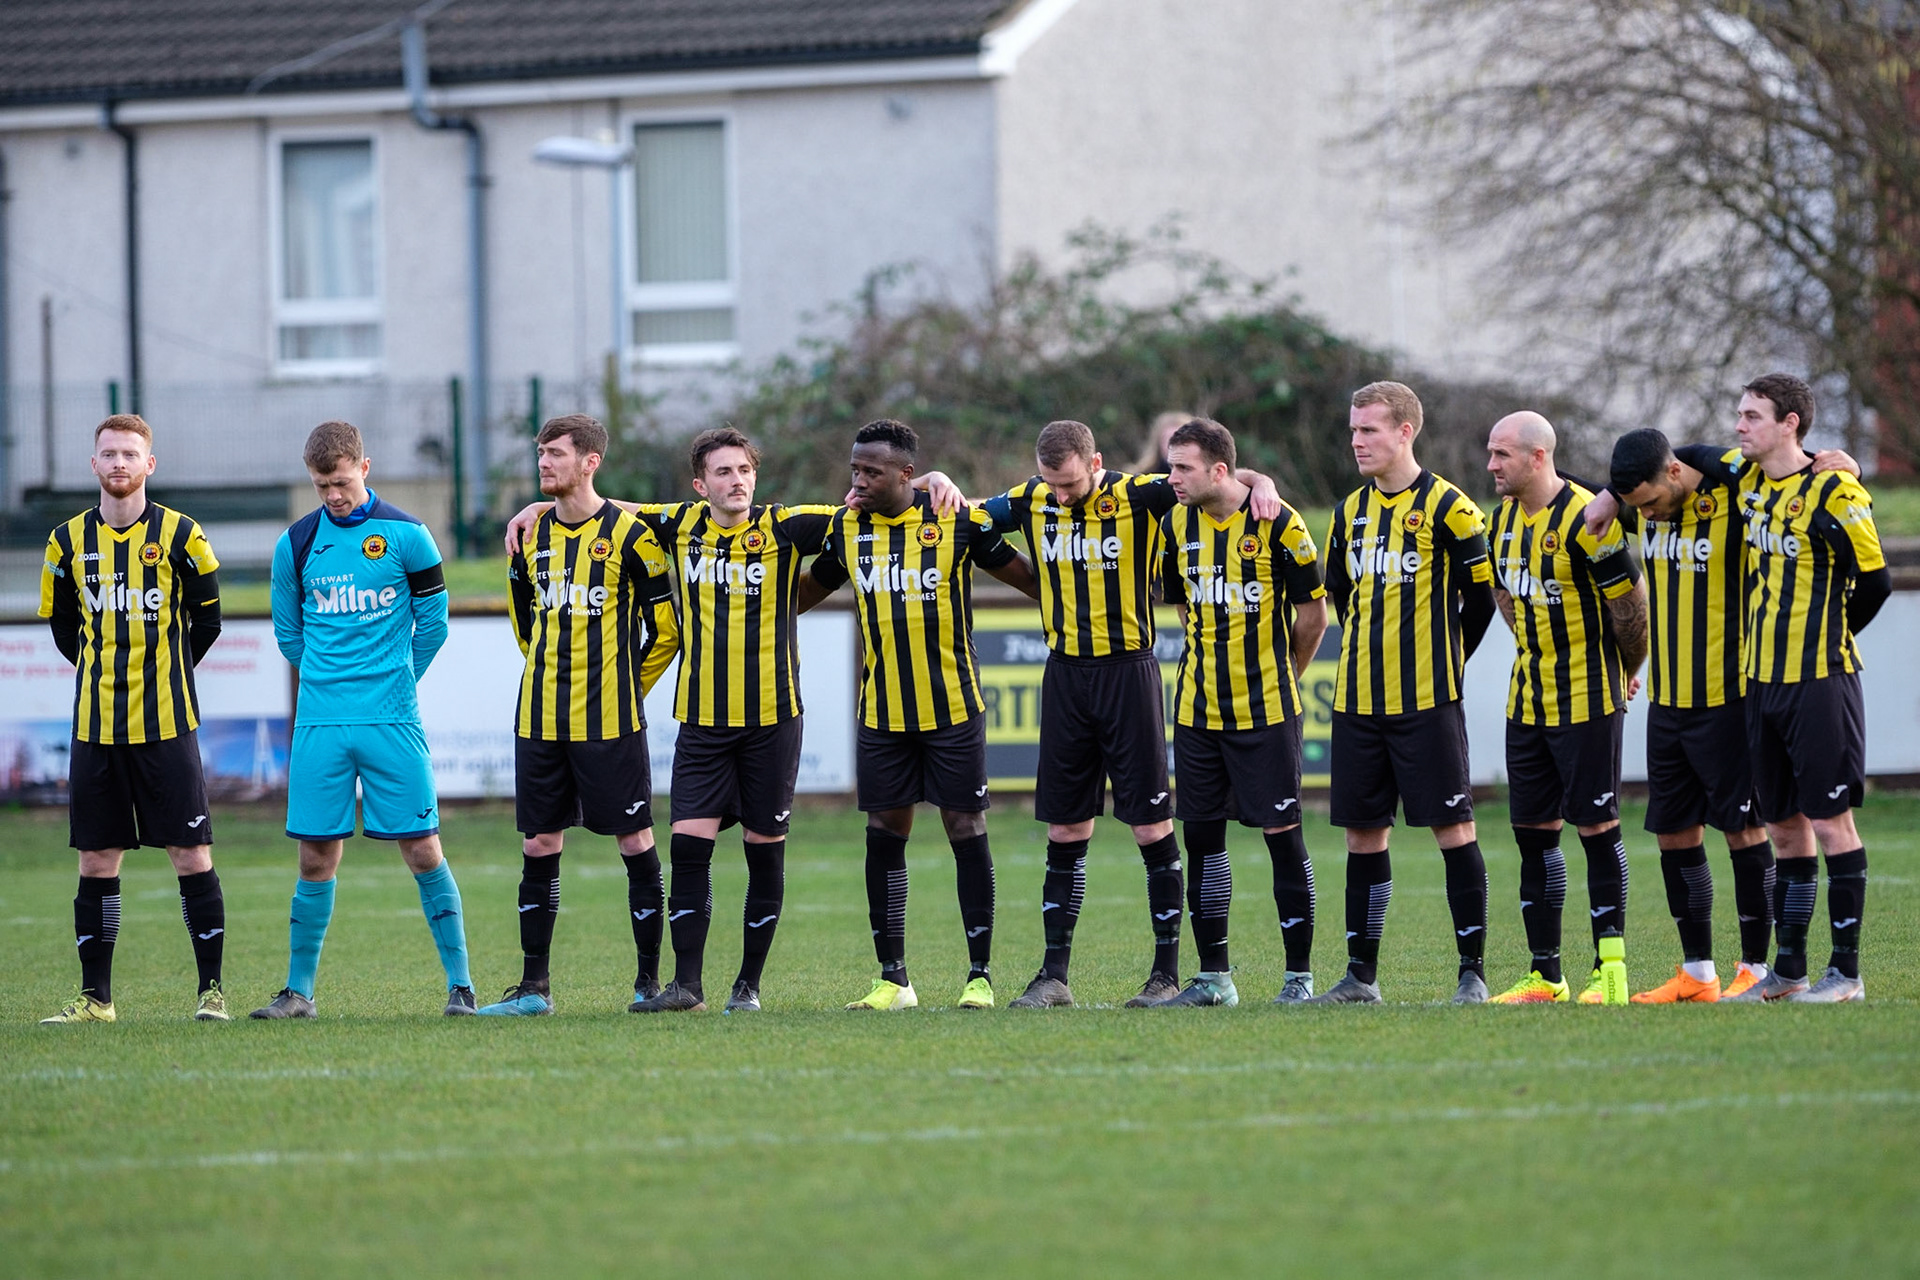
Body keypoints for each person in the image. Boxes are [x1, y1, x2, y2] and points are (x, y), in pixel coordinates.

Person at [918, 421, 1285, 1008]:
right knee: (1065, 827)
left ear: (1096, 463)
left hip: (1128, 674)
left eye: (1068, 483)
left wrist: (1261, 480)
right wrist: (936, 479)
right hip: (1065, 676)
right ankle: (1052, 976)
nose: (1060, 495)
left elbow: (1218, 484)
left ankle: (1165, 973)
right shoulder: (1033, 499)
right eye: (1050, 483)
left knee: (1150, 826)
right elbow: (964, 513)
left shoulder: (1140, 494)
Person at [507, 428, 835, 1013]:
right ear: (700, 484)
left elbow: (868, 509)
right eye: (723, 472)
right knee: (688, 850)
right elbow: (616, 509)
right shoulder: (680, 525)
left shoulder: (787, 526)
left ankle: (748, 987)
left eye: (744, 471)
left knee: (764, 848)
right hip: (702, 723)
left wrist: (936, 484)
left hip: (773, 718)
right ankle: (686, 987)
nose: (736, 481)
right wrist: (541, 504)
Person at [1663, 376, 1889, 1002]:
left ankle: (1845, 973)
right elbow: (1693, 454)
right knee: (1786, 827)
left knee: (1830, 822)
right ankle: (1789, 970)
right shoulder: (1748, 477)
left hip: (1820, 681)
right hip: (1760, 683)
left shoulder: (1835, 490)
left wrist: (1826, 636)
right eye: (1739, 414)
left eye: (1752, 416)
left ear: (1790, 423)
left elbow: (1875, 582)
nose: (1740, 426)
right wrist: (1609, 495)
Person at [802, 419, 1040, 1010]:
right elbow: (803, 593)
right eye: (854, 469)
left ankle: (979, 977)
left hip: (953, 708)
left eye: (871, 472)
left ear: (906, 474)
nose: (857, 480)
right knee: (885, 834)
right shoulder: (845, 527)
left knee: (965, 829)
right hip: (882, 713)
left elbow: (1032, 580)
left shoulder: (958, 521)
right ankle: (893, 980)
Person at [253, 421, 475, 1018]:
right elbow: (289, 633)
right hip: (320, 724)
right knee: (315, 856)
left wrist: (394, 681)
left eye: (342, 482)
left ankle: (461, 986)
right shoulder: (295, 544)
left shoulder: (408, 535)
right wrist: (331, 683)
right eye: (322, 485)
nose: (333, 495)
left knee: (422, 848)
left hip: (391, 720)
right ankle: (299, 992)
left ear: (365, 468)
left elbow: (434, 625)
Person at [476, 415, 679, 1016]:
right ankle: (534, 989)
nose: (544, 463)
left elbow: (664, 633)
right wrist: (547, 669)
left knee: (635, 839)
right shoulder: (529, 536)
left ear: (590, 462)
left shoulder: (632, 537)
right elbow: (523, 620)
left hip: (610, 722)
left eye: (557, 454)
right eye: (540, 453)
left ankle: (648, 984)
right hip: (538, 718)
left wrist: (624, 687)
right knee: (539, 842)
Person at [37, 414, 228, 1024]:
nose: (119, 463)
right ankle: (97, 1000)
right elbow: (65, 628)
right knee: (96, 860)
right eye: (109, 454)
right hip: (95, 728)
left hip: (168, 728)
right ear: (93, 464)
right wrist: (106, 675)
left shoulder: (182, 535)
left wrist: (164, 676)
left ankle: (211, 992)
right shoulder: (65, 542)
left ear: (150, 465)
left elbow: (209, 622)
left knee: (190, 853)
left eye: (130, 454)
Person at [1314, 382, 1499, 1005]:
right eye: (1353, 429)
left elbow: (1480, 603)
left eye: (1369, 430)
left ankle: (1472, 972)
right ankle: (1360, 977)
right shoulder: (1348, 512)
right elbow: (1341, 592)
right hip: (1358, 703)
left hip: (1427, 703)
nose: (1357, 441)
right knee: (1363, 836)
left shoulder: (1452, 509)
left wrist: (1444, 661)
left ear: (1404, 432)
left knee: (1453, 829)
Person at [1157, 418, 1328, 1007]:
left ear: (1220, 471)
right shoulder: (1174, 523)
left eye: (1183, 468)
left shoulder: (1279, 522)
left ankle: (1298, 978)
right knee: (1202, 841)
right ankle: (1214, 978)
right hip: (1197, 711)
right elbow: (1183, 605)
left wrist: (1282, 677)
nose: (1172, 478)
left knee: (1283, 838)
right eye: (1170, 466)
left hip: (1268, 711)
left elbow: (1313, 618)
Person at [1603, 428, 1775, 1002]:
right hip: (1668, 702)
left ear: (1675, 472)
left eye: (1649, 501)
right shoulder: (1642, 506)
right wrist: (1609, 495)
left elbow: (1769, 469)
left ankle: (1754, 967)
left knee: (1744, 831)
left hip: (1729, 697)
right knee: (1674, 835)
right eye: (1636, 508)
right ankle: (1697, 973)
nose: (1644, 514)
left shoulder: (1735, 502)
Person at [1483, 411, 1648, 1004]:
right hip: (1527, 699)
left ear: (1537, 457)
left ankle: (1612, 970)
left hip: (1586, 697)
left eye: (1502, 454)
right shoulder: (1498, 522)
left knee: (1597, 830)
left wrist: (1627, 671)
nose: (1491, 465)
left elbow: (1630, 606)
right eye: (1490, 453)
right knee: (1533, 835)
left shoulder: (1589, 518)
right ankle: (1546, 975)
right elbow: (1503, 589)